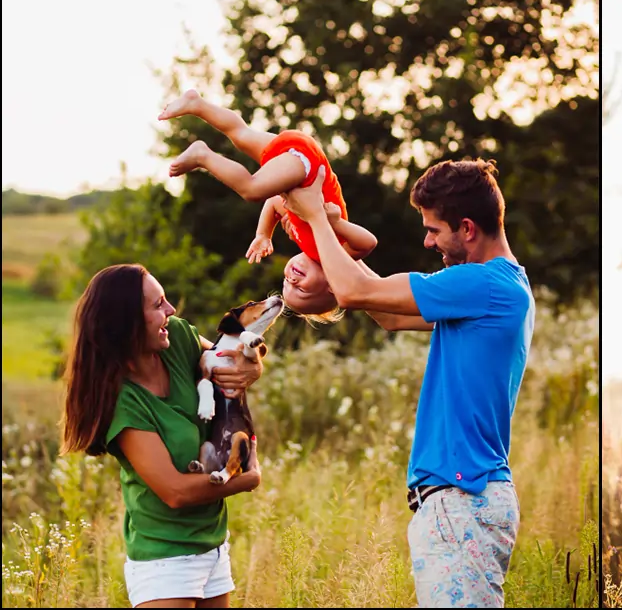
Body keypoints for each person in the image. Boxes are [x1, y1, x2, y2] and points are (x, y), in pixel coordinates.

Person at [283, 158, 535, 608]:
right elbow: (386, 313)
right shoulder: (497, 286)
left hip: (462, 502)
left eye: (434, 230)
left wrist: (317, 218)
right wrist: (332, 245)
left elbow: (357, 294)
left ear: (467, 229)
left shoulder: (481, 284)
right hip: (457, 503)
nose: (426, 240)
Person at [59, 264, 266, 609]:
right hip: (165, 559)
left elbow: (232, 356)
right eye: (158, 306)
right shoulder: (124, 401)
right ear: (126, 323)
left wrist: (256, 364)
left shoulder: (179, 340)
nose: (171, 311)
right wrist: (249, 479)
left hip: (213, 545)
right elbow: (175, 492)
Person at [158, 89, 378, 323]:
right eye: (301, 290)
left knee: (241, 134)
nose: (291, 281)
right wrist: (335, 223)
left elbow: (274, 202)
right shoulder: (336, 253)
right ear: (333, 286)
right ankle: (203, 155)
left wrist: (264, 234)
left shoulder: (304, 238)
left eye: (286, 285)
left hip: (298, 156)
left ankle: (197, 104)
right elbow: (368, 242)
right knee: (251, 189)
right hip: (307, 165)